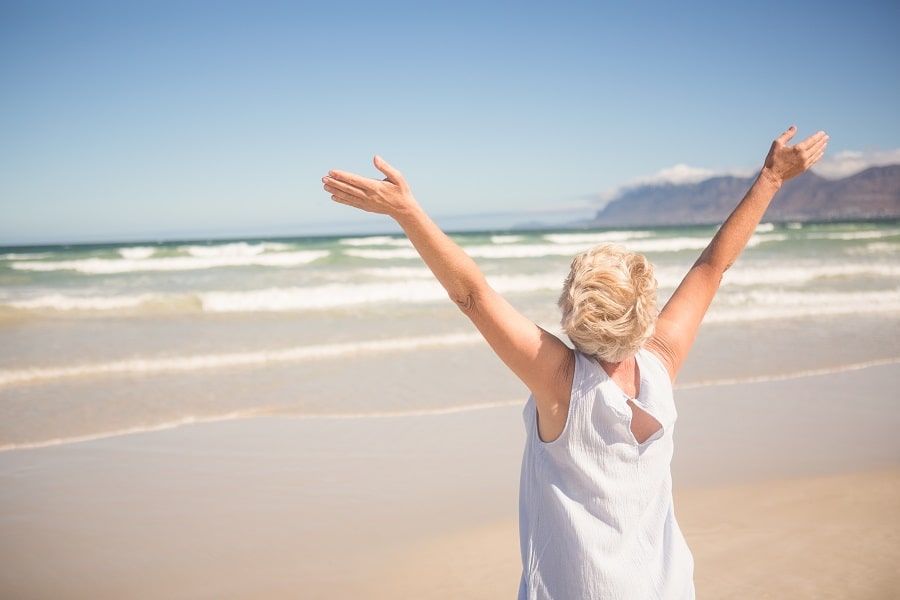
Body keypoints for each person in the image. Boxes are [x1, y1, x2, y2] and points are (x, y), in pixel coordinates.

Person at [322, 126, 828, 599]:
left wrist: (408, 213)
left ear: (571, 313)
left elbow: (472, 295)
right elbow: (712, 267)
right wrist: (771, 178)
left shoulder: (561, 383)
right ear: (645, 312)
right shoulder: (660, 364)